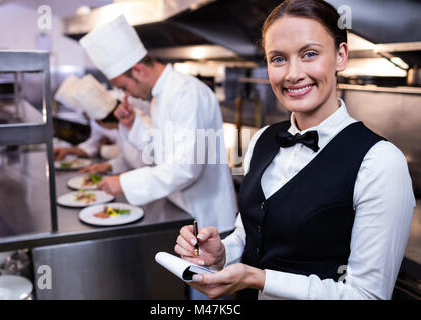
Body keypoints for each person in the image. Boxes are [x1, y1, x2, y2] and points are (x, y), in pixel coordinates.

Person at [174, 0, 416, 300]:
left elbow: (367, 295)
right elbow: (248, 234)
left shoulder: (380, 162)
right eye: (278, 59)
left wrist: (259, 278)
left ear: (341, 56)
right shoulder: (263, 139)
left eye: (310, 54)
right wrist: (223, 252)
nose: (292, 74)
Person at [79, 15, 237, 237]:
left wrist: (124, 183)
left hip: (208, 220)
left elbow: (185, 167)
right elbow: (160, 153)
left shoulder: (185, 92)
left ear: (139, 71)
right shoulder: (159, 97)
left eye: (124, 87)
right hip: (183, 214)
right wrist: (132, 125)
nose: (126, 95)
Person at [53, 74, 149, 174]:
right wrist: (107, 166)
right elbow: (128, 159)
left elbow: (145, 163)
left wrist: (105, 151)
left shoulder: (136, 120)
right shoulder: (118, 124)